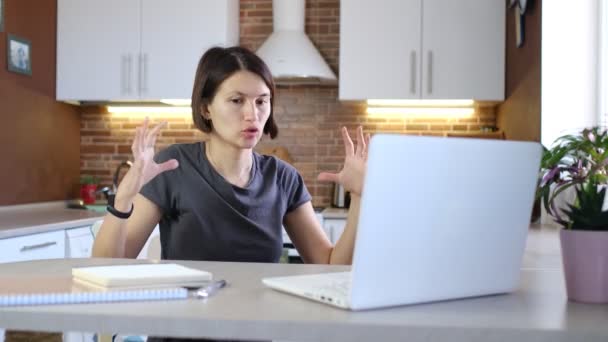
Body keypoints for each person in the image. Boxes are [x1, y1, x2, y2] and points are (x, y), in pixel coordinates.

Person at [92, 46, 367, 341]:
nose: (253, 114)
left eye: (262, 101)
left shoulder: (283, 178)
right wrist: (123, 199)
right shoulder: (173, 166)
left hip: (254, 334)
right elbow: (106, 267)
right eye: (237, 101)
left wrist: (361, 196)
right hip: (181, 334)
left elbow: (329, 266)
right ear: (205, 108)